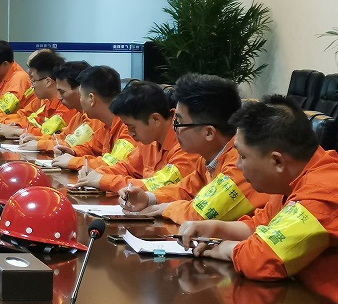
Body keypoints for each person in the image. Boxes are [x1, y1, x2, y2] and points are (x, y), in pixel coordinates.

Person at [180, 95, 338, 286]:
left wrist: (223, 248)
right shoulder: (290, 179)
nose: (237, 165)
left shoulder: (324, 191)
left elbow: (262, 259)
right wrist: (215, 228)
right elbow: (261, 225)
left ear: (277, 161)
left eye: (243, 156)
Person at [118, 74, 274, 222]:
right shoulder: (208, 158)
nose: (174, 129)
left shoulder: (241, 163)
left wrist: (167, 208)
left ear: (209, 133)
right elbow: (185, 190)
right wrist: (148, 198)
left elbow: (202, 213)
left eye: (179, 123)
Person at [73, 80, 203, 193]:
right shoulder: (149, 139)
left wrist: (104, 180)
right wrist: (97, 173)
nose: (130, 133)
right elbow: (127, 167)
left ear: (155, 119)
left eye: (132, 127)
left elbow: (160, 185)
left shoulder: (187, 142)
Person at [52, 65, 134, 170]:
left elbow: (112, 163)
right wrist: (73, 152)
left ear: (91, 98)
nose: (80, 100)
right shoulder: (106, 126)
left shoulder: (129, 127)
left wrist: (72, 161)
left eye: (80, 96)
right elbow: (90, 147)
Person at [17, 60, 102, 153]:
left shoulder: (94, 117)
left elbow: (71, 144)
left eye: (62, 92)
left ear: (80, 90)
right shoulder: (78, 115)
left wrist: (39, 144)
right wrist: (36, 139)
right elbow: (63, 137)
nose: (59, 97)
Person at [0, 49, 75, 137]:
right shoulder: (47, 102)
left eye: (33, 81)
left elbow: (47, 133)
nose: (32, 86)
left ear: (48, 81)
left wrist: (16, 131)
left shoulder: (67, 104)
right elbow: (30, 121)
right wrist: (11, 126)